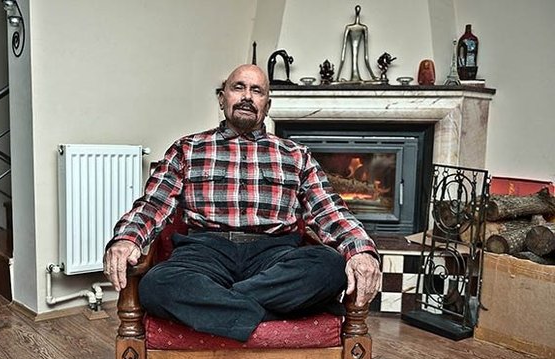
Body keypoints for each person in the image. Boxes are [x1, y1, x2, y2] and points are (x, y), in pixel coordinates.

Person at [104, 64, 381, 342]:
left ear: (267, 106)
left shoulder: (296, 155)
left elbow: (329, 209)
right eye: (238, 88)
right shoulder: (187, 149)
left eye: (257, 91)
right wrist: (127, 239)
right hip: (203, 253)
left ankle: (220, 308)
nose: (247, 96)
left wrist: (361, 250)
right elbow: (154, 204)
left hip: (275, 255)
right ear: (222, 98)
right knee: (156, 284)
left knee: (330, 266)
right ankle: (272, 309)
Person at [336, 5, 379, 83]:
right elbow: (343, 56)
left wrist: (373, 76)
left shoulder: (363, 28)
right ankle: (354, 76)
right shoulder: (349, 27)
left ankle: (355, 76)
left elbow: (366, 57)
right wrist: (337, 78)